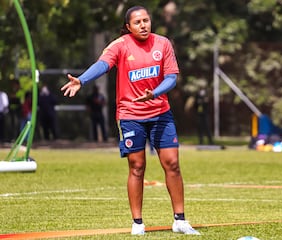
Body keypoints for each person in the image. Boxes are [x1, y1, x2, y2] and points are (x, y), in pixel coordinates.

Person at [61, 5, 200, 235]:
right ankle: (137, 223)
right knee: (137, 166)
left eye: (146, 20)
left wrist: (154, 93)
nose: (143, 25)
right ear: (128, 27)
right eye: (137, 22)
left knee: (173, 164)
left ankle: (180, 220)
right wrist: (82, 81)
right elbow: (103, 65)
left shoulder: (163, 43)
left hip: (160, 112)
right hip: (131, 115)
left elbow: (172, 78)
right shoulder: (120, 45)